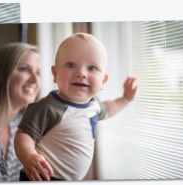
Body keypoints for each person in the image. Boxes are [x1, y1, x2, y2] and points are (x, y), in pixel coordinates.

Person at [14, 33, 137, 181]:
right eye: (71, 65)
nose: (81, 73)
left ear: (103, 80)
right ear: (55, 73)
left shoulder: (94, 105)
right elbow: (23, 135)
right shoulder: (48, 107)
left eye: (92, 68)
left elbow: (109, 108)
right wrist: (29, 156)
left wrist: (125, 99)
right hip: (42, 176)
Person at [0, 42, 41, 182]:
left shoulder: (23, 127)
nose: (35, 79)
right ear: (0, 75)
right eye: (24, 69)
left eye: (38, 73)